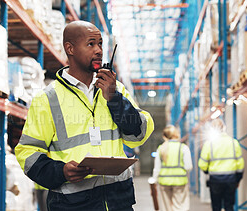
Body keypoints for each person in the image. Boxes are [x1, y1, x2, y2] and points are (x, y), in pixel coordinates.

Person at [15, 20, 154, 210]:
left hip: (118, 202)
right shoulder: (48, 99)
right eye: (91, 44)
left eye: (100, 44)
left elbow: (138, 134)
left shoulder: (115, 89)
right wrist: (61, 171)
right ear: (70, 48)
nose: (98, 50)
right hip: (73, 204)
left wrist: (114, 99)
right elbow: (28, 152)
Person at [198, 119, 244, 211]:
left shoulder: (209, 144)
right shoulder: (233, 142)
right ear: (224, 128)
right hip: (231, 179)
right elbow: (240, 163)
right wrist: (238, 178)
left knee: (216, 206)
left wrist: (207, 171)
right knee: (229, 205)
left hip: (215, 179)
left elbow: (202, 163)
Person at [151, 125, 193, 211]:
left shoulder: (161, 148)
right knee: (179, 207)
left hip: (164, 182)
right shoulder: (183, 148)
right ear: (176, 135)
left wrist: (154, 180)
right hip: (180, 182)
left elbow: (157, 168)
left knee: (166, 207)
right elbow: (188, 167)